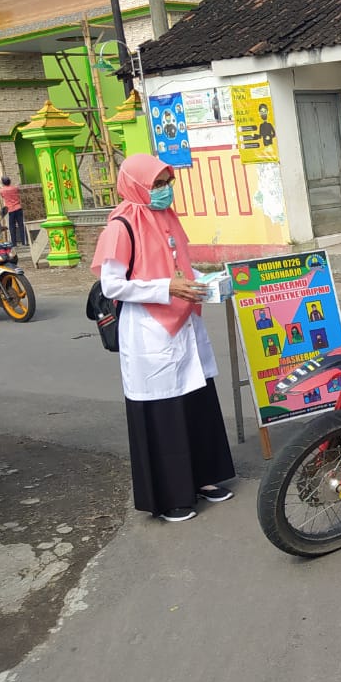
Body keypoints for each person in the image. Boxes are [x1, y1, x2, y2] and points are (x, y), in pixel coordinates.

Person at [90, 154, 236, 523]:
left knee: (195, 401)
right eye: (156, 184)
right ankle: (172, 496)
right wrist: (165, 287)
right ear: (136, 185)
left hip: (185, 320)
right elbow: (113, 284)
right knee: (163, 412)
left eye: (167, 182)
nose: (164, 191)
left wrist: (207, 280)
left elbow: (180, 266)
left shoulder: (168, 218)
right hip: (149, 329)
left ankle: (203, 478)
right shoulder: (120, 226)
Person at [0, 176, 25, 248]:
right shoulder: (15, 188)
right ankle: (24, 242)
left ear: (3, 182)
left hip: (10, 210)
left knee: (12, 227)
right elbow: (17, 189)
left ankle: (14, 243)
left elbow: (2, 196)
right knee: (21, 225)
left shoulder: (1, 190)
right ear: (9, 181)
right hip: (18, 208)